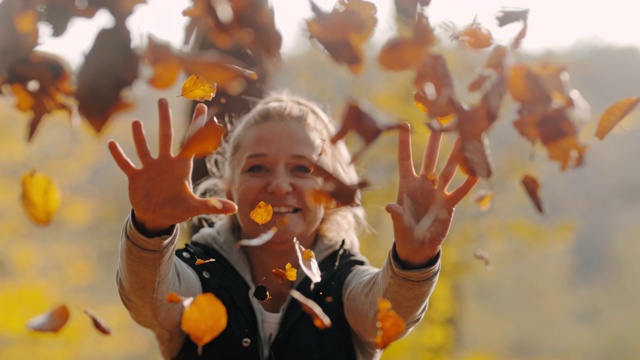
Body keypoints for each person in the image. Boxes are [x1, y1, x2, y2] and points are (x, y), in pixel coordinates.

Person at [108, 93, 478, 360]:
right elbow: (148, 299)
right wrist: (150, 229)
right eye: (257, 167)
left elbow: (386, 312)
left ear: (331, 194)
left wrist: (415, 261)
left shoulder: (344, 280)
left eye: (302, 169)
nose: (280, 185)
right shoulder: (198, 272)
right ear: (229, 188)